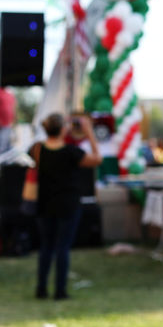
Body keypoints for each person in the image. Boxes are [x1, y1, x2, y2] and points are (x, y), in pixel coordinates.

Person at [33, 113, 102, 300]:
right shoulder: (72, 152)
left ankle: (41, 289)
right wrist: (89, 133)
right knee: (62, 247)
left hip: (45, 204)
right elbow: (97, 159)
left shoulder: (38, 149)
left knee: (46, 247)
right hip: (67, 205)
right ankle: (60, 291)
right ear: (63, 129)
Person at [0, 86, 16, 154]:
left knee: (6, 146)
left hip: (8, 124)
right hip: (2, 124)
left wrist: (13, 121)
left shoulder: (10, 95)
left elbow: (13, 109)